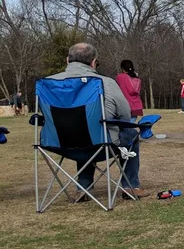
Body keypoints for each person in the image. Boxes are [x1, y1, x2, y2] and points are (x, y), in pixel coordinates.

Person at [48, 43, 150, 199]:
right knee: (129, 134)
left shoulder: (48, 83)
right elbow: (124, 114)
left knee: (80, 134)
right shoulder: (105, 82)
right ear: (93, 62)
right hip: (101, 144)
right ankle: (130, 186)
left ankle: (83, 189)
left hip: (60, 144)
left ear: (68, 60)